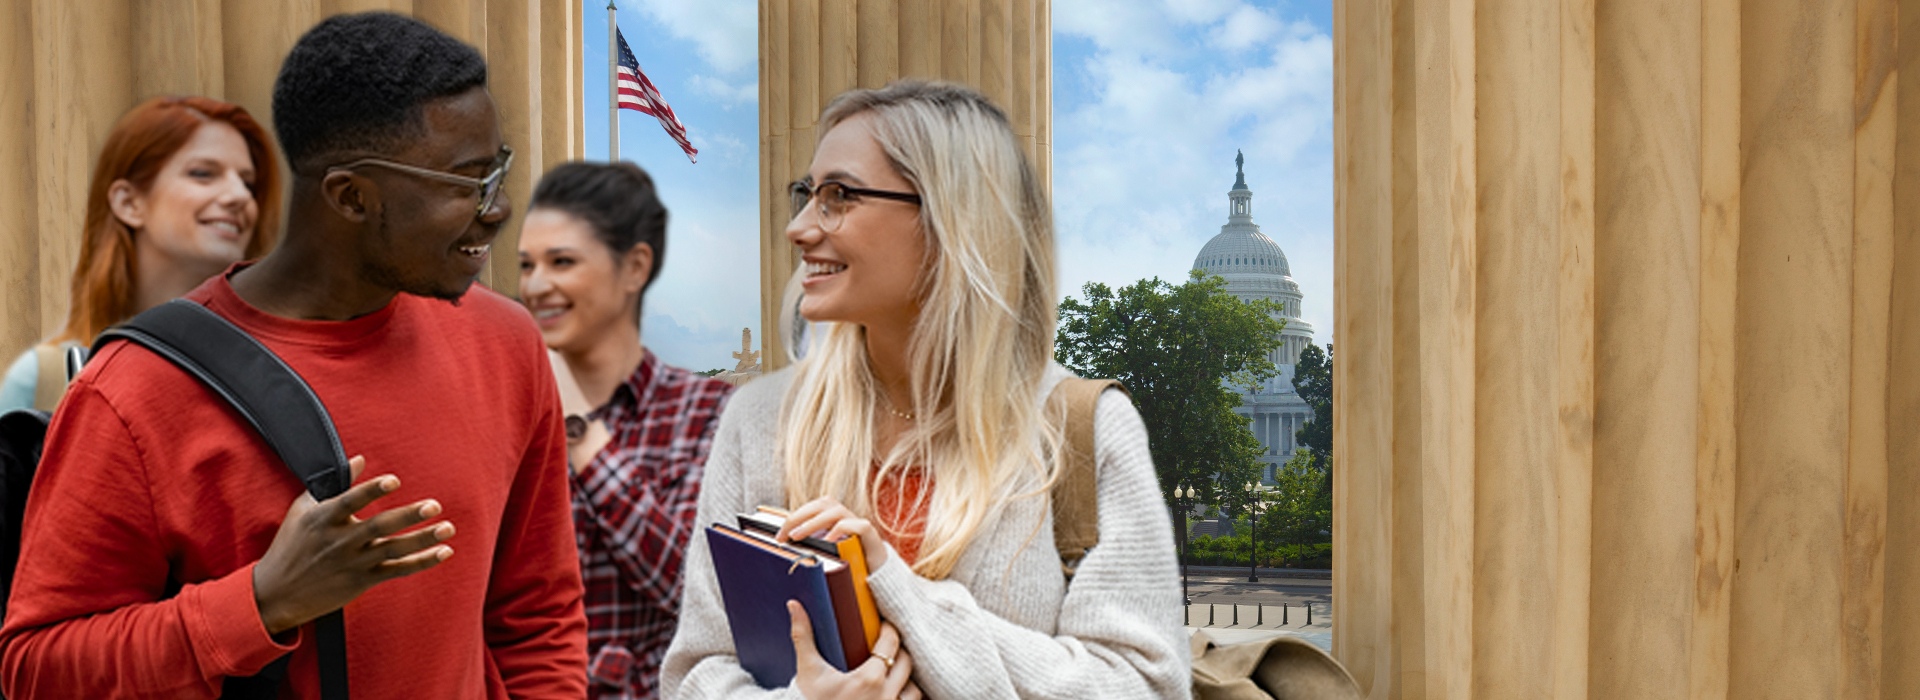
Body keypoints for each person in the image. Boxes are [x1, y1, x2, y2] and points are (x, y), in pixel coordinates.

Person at [0, 12, 587, 698]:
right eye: (467, 182)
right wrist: (262, 603)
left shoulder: (506, 343)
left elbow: (537, 613)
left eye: (498, 169)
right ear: (349, 196)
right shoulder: (132, 393)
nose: (498, 208)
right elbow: (35, 667)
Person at [660, 81, 1189, 699]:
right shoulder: (760, 420)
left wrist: (895, 588)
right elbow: (695, 674)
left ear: (949, 216)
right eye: (805, 194)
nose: (799, 228)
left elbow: (1148, 687)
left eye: (838, 196)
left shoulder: (1085, 427)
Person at [517, 161, 734, 698]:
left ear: (635, 267)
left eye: (562, 262)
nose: (536, 286)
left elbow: (691, 588)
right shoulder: (502, 410)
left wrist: (577, 426)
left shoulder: (706, 410)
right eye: (527, 265)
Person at [0, 95, 280, 413]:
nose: (239, 196)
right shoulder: (42, 381)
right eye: (203, 173)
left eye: (249, 183)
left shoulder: (277, 371)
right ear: (129, 203)